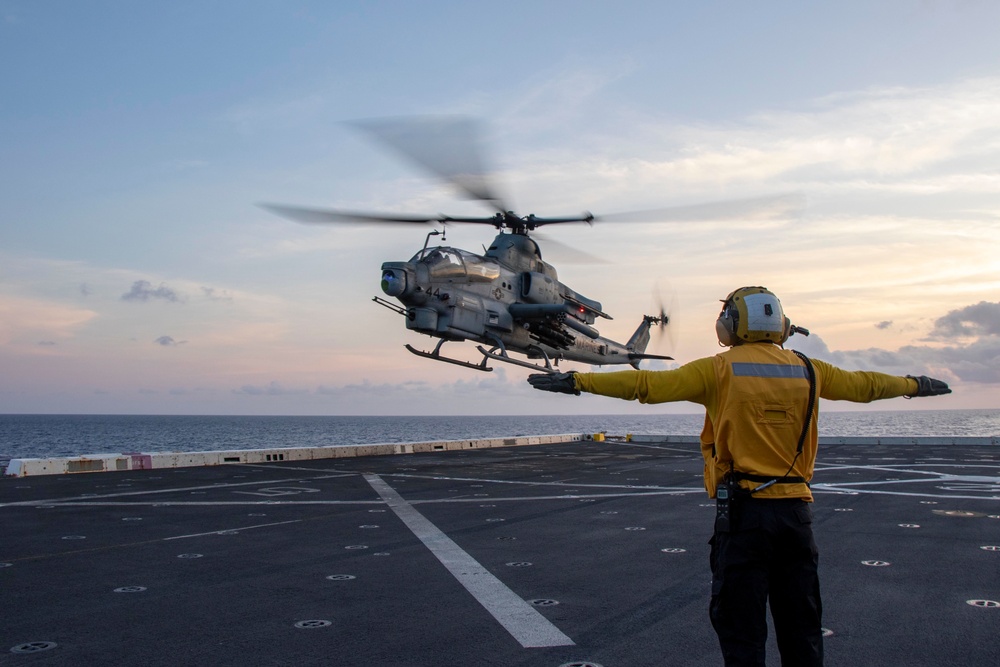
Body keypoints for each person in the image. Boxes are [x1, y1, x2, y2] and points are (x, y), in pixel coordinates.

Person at [527, 286, 951, 667]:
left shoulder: (718, 370)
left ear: (730, 326)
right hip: (796, 519)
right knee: (801, 628)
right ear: (781, 326)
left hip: (746, 518)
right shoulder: (809, 369)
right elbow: (867, 385)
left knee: (741, 630)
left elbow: (647, 386)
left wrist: (577, 380)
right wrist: (915, 384)